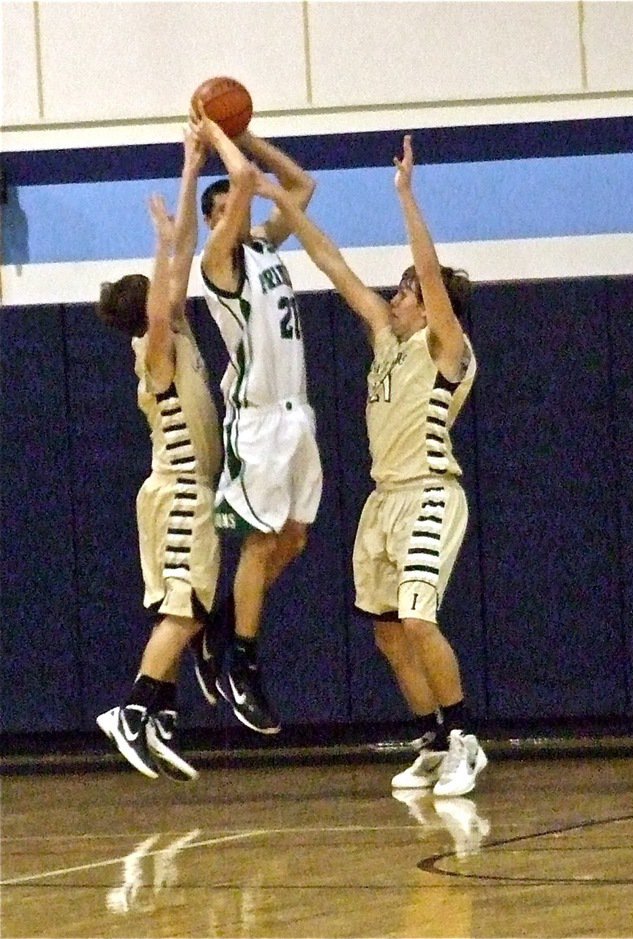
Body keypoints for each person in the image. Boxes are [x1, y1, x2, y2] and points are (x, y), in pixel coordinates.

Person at [253, 135, 486, 797]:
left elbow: (431, 273)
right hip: (384, 499)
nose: (397, 294)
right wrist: (285, 208)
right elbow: (333, 265)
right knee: (388, 633)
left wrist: (406, 196)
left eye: (407, 291)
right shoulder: (385, 338)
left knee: (418, 619)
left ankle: (468, 739)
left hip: (432, 492)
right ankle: (436, 739)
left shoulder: (448, 345)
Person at [95, 126, 220, 782]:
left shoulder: (172, 330)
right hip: (179, 494)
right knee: (186, 608)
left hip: (186, 494)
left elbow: (186, 258)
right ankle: (134, 709)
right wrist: (161, 238)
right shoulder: (154, 347)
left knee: (191, 606)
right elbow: (172, 270)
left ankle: (163, 713)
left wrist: (190, 167)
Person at [191, 107, 321, 735]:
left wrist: (244, 136)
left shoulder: (263, 246)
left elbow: (301, 186)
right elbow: (242, 181)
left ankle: (220, 627)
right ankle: (243, 663)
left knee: (294, 538)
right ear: (215, 221)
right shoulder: (215, 265)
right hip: (258, 422)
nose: (238, 214)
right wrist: (213, 130)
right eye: (227, 211)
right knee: (261, 541)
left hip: (297, 416)